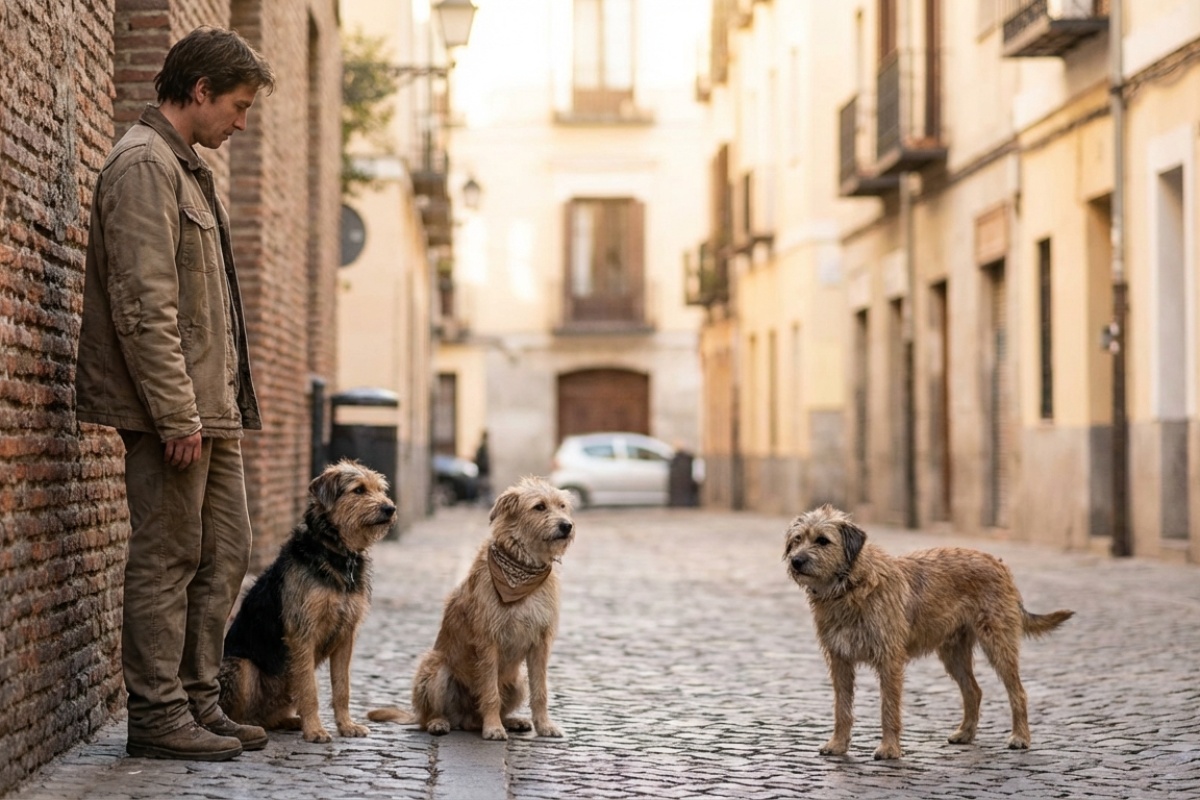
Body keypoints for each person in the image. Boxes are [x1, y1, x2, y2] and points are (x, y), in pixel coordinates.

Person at [73, 27, 275, 761]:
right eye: (238, 106)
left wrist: (213, 407)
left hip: (211, 408)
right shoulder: (142, 167)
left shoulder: (189, 169)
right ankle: (157, 715)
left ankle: (197, 699)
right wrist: (174, 412)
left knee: (225, 552)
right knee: (167, 557)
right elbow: (142, 304)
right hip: (174, 412)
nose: (242, 123)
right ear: (199, 92)